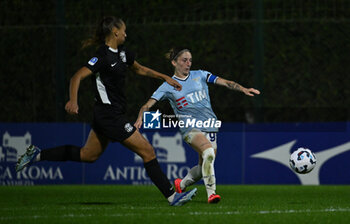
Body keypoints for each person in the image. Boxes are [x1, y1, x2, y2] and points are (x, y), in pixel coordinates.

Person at [15, 17, 197, 206]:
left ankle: (36, 155)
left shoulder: (124, 54)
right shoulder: (101, 56)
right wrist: (73, 100)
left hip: (109, 115)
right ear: (115, 32)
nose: (126, 34)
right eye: (124, 30)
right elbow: (77, 77)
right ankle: (172, 196)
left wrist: (165, 77)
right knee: (148, 151)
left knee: (88, 155)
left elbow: (140, 69)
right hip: (109, 116)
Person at [135, 48, 260, 203]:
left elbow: (225, 82)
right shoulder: (168, 86)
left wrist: (243, 89)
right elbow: (147, 105)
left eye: (190, 60)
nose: (188, 64)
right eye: (184, 60)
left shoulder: (199, 75)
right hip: (190, 128)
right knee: (208, 152)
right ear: (174, 62)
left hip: (210, 125)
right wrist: (140, 117)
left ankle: (181, 184)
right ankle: (211, 194)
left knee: (205, 166)